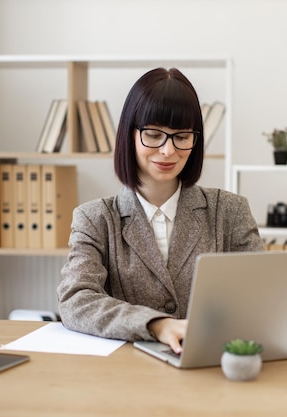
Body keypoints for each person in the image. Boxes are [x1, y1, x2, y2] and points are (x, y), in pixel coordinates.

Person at [57, 67, 264, 354]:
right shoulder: (95, 219)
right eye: (153, 135)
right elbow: (76, 300)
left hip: (212, 366)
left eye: (181, 136)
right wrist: (156, 324)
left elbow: (262, 294)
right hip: (126, 375)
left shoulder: (229, 211)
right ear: (129, 136)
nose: (168, 151)